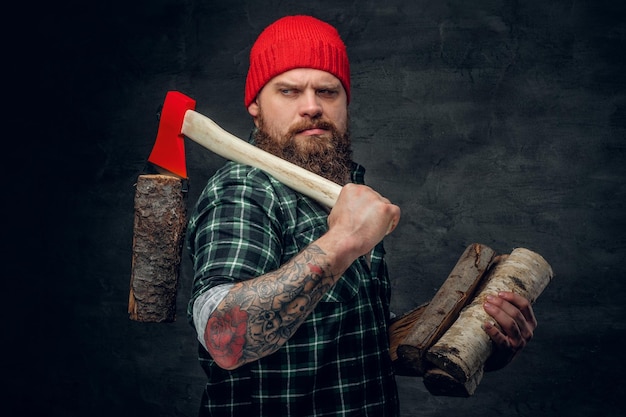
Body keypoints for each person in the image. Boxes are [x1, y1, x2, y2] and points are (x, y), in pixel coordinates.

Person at [186, 15, 537, 417]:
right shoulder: (244, 190)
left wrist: (478, 342)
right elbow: (223, 337)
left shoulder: (343, 191)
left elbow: (350, 342)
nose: (312, 106)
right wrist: (344, 240)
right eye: (289, 91)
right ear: (254, 105)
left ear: (345, 100)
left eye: (327, 91)